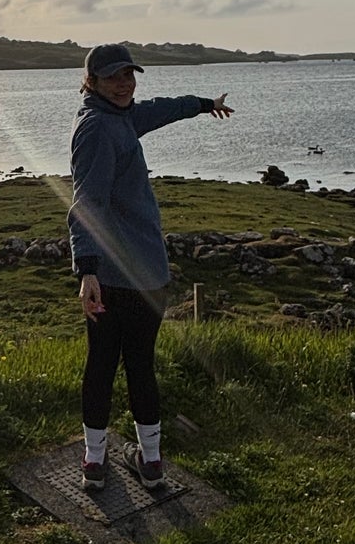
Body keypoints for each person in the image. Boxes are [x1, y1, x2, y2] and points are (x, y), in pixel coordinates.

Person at [68, 43, 233, 492]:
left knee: (124, 365)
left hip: (142, 274)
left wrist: (202, 106)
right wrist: (86, 269)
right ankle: (130, 462)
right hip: (115, 279)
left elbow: (159, 110)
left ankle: (113, 461)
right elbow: (88, 203)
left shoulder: (121, 117)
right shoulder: (98, 130)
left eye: (129, 74)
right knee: (117, 365)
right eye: (113, 77)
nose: (125, 84)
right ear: (92, 82)